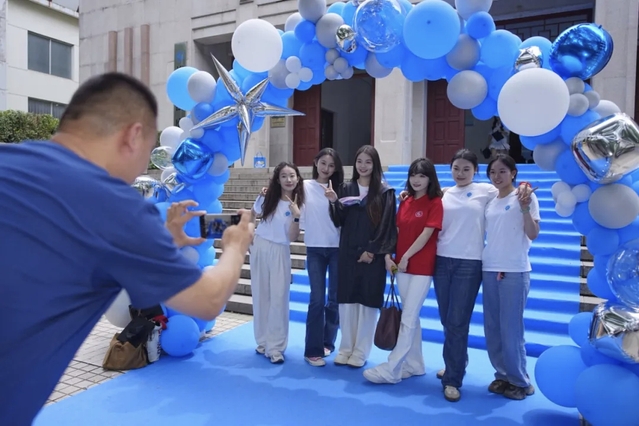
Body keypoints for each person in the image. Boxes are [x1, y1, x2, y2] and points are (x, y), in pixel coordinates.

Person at [0, 73, 254, 426]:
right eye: (147, 154)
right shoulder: (115, 206)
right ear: (133, 135)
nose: (139, 173)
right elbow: (208, 300)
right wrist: (236, 245)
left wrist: (165, 240)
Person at [400, 149, 530, 402]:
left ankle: (453, 379)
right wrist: (406, 195)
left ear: (475, 171)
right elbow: (420, 199)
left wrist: (524, 185)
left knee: (458, 321)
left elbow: (510, 189)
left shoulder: (485, 190)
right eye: (456, 169)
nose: (460, 173)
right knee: (447, 319)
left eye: (466, 169)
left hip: (469, 264)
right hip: (441, 261)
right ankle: (457, 361)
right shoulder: (443, 193)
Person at [363, 158, 443, 384]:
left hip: (421, 268)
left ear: (430, 178)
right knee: (411, 316)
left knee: (407, 317)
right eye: (413, 175)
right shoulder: (406, 201)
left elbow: (427, 234)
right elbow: (396, 231)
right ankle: (415, 364)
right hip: (401, 266)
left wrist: (406, 256)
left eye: (422, 176)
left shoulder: (435, 202)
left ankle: (392, 368)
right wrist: (389, 255)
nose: (416, 180)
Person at [325, 145, 397, 368]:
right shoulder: (345, 188)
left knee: (367, 303)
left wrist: (372, 251)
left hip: (372, 257)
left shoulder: (385, 192)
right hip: (348, 253)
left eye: (368, 162)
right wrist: (333, 201)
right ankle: (346, 348)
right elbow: (339, 221)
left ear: (375, 165)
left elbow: (387, 226)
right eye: (359, 161)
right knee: (347, 303)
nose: (363, 166)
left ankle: (360, 351)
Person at [483, 154, 540, 400]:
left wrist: (525, 208)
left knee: (511, 328)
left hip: (515, 270)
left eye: (502, 171)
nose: (497, 176)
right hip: (489, 268)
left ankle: (519, 381)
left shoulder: (525, 196)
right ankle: (502, 375)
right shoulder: (491, 200)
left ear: (513, 173)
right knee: (493, 327)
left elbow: (533, 233)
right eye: (492, 172)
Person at [250, 162, 305, 364]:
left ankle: (276, 347)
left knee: (279, 298)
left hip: (280, 250)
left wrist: (296, 217)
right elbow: (252, 214)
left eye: (292, 175)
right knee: (261, 295)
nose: (288, 180)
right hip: (260, 246)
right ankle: (263, 341)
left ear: (297, 178)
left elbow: (292, 237)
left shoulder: (300, 204)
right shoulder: (267, 198)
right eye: (284, 176)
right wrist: (249, 235)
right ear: (278, 179)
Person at [301, 148, 344, 367]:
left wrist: (335, 200)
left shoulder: (341, 189)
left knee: (334, 300)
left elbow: (344, 219)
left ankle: (328, 342)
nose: (327, 168)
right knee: (317, 299)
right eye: (324, 163)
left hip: (337, 249)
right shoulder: (304, 186)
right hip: (315, 249)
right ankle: (312, 350)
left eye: (331, 165)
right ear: (316, 162)